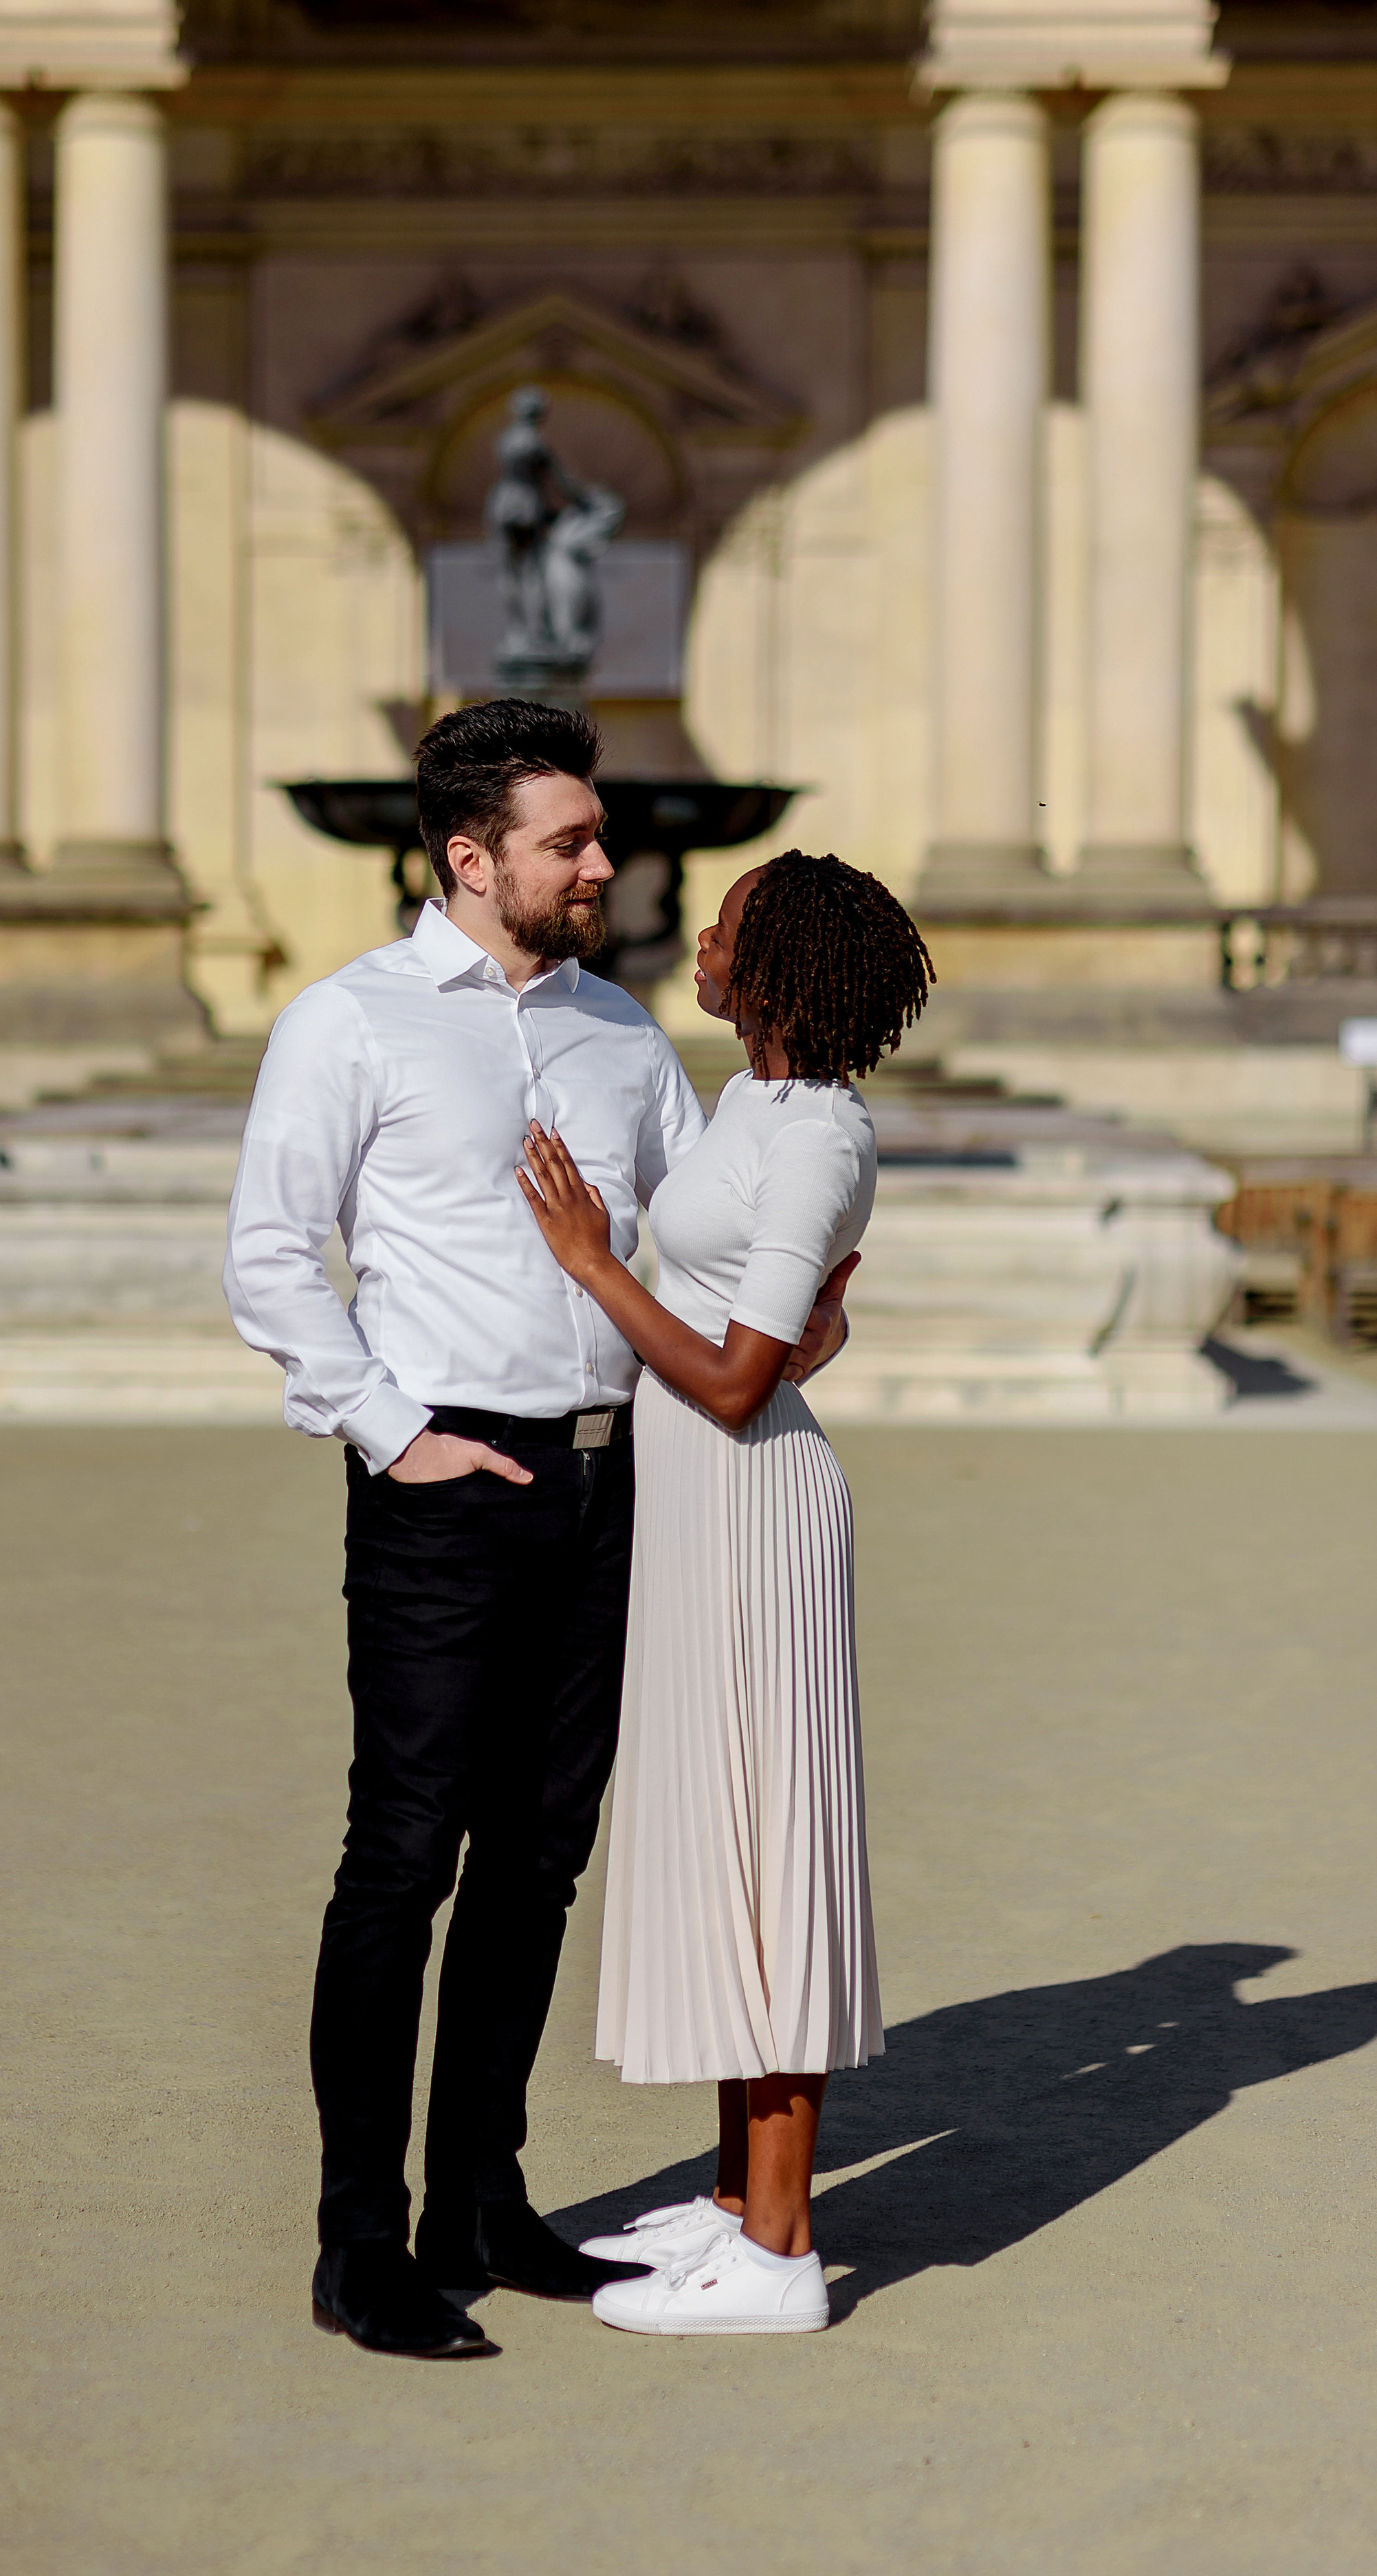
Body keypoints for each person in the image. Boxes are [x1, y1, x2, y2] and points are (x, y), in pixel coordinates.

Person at [223, 700, 850, 2362]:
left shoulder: (621, 1037)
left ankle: (480, 2208)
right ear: (467, 858)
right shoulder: (343, 1024)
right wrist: (389, 1435)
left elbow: (705, 1243)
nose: (601, 862)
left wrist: (804, 1306)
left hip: (610, 1485)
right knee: (401, 1859)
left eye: (595, 837)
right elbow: (273, 1256)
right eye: (568, 842)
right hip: (441, 1487)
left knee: (538, 1863)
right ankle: (362, 2244)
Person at [516, 850, 933, 2337]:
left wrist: (587, 1263)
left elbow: (737, 1376)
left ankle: (779, 2252)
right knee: (715, 1841)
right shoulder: (749, 1101)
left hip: (751, 1503)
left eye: (728, 925)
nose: (697, 934)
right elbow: (759, 1321)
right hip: (693, 1503)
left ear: (774, 971)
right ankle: (722, 2204)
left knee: (770, 1847)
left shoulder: (816, 1132)